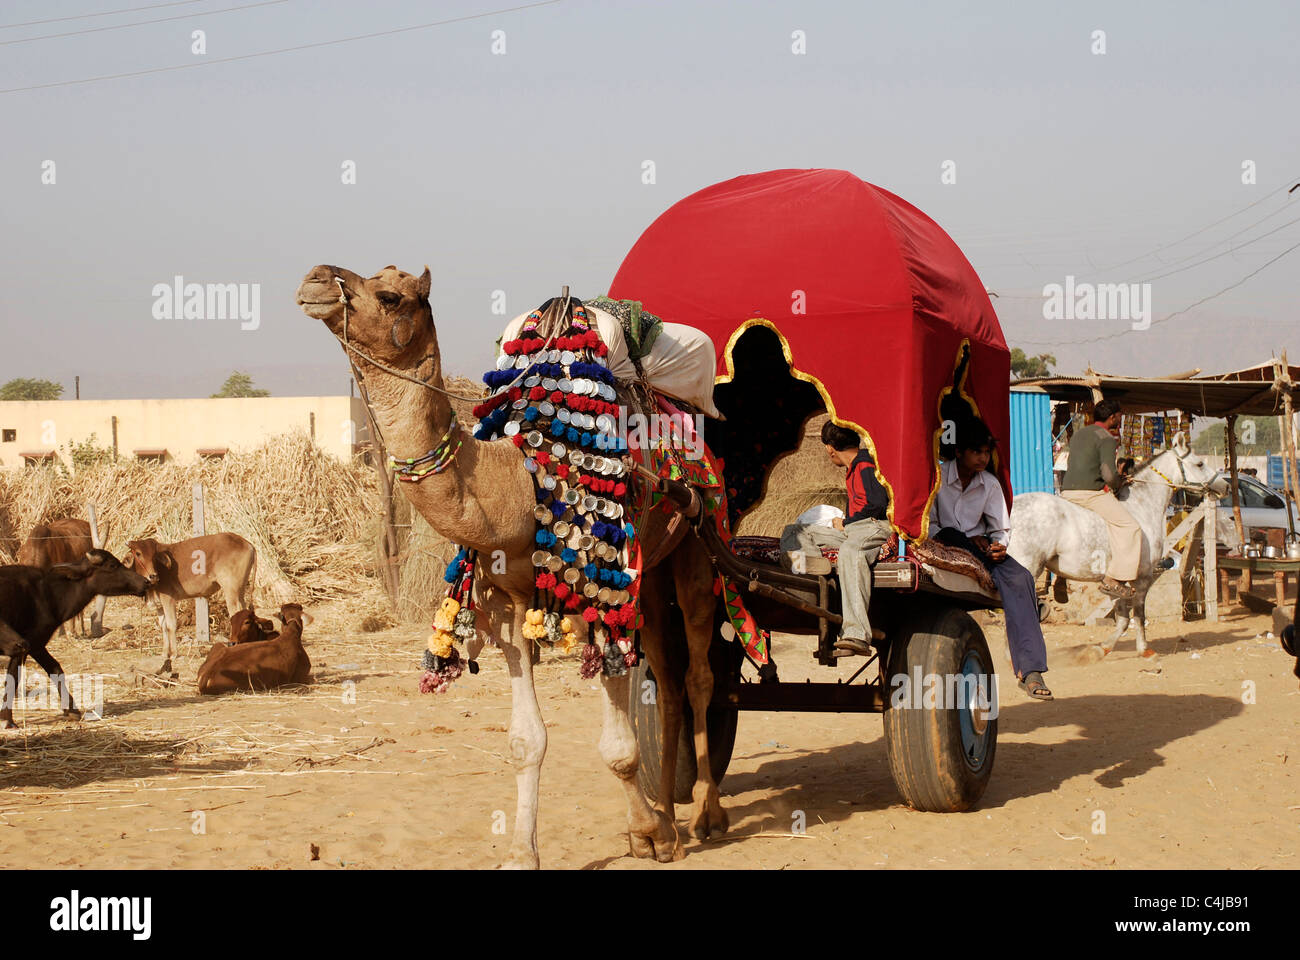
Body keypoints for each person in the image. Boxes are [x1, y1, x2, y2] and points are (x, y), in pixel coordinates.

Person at [929, 420, 1052, 700]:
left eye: (986, 451)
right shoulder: (936, 477)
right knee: (951, 533)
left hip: (980, 550)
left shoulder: (990, 484)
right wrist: (965, 540)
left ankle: (1030, 671)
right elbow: (931, 525)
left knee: (1021, 577)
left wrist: (998, 546)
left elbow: (1000, 529)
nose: (983, 458)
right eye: (977, 451)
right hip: (946, 542)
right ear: (959, 451)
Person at [780, 421, 892, 657]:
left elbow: (878, 504)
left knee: (851, 553)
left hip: (872, 527)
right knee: (796, 531)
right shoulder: (853, 469)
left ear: (830, 448)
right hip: (853, 530)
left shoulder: (865, 464)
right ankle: (808, 564)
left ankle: (857, 634)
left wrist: (848, 522)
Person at [1060, 399, 1141, 599]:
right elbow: (1108, 474)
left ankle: (1059, 577)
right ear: (1112, 417)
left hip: (1066, 491)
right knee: (1130, 527)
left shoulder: (1079, 433)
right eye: (1119, 416)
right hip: (1089, 493)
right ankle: (1115, 578)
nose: (1120, 419)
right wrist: (1118, 483)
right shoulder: (1106, 437)